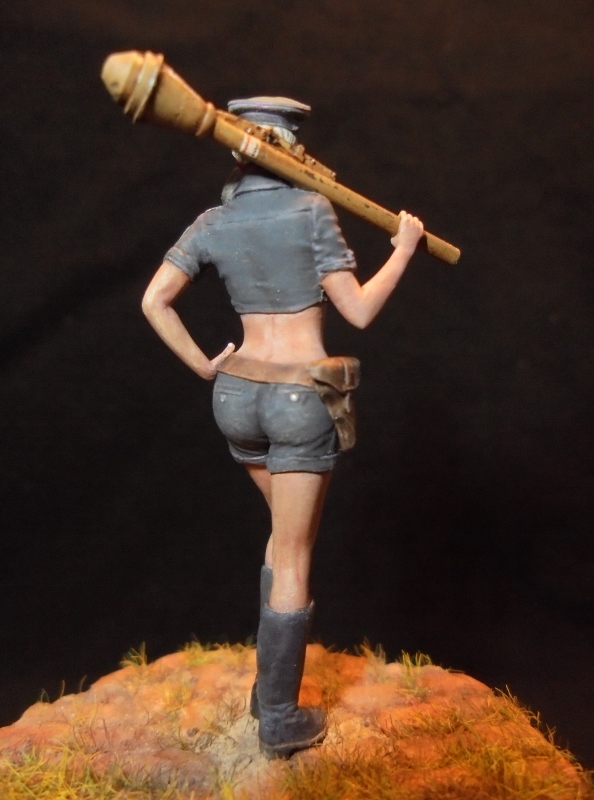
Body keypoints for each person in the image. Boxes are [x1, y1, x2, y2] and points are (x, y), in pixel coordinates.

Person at [141, 97, 424, 759]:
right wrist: (404, 250)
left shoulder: (214, 221)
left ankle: (266, 689)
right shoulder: (311, 210)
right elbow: (358, 311)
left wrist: (203, 365)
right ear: (291, 150)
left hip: (237, 394)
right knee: (296, 552)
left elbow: (155, 300)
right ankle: (278, 717)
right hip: (298, 399)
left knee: (281, 533)